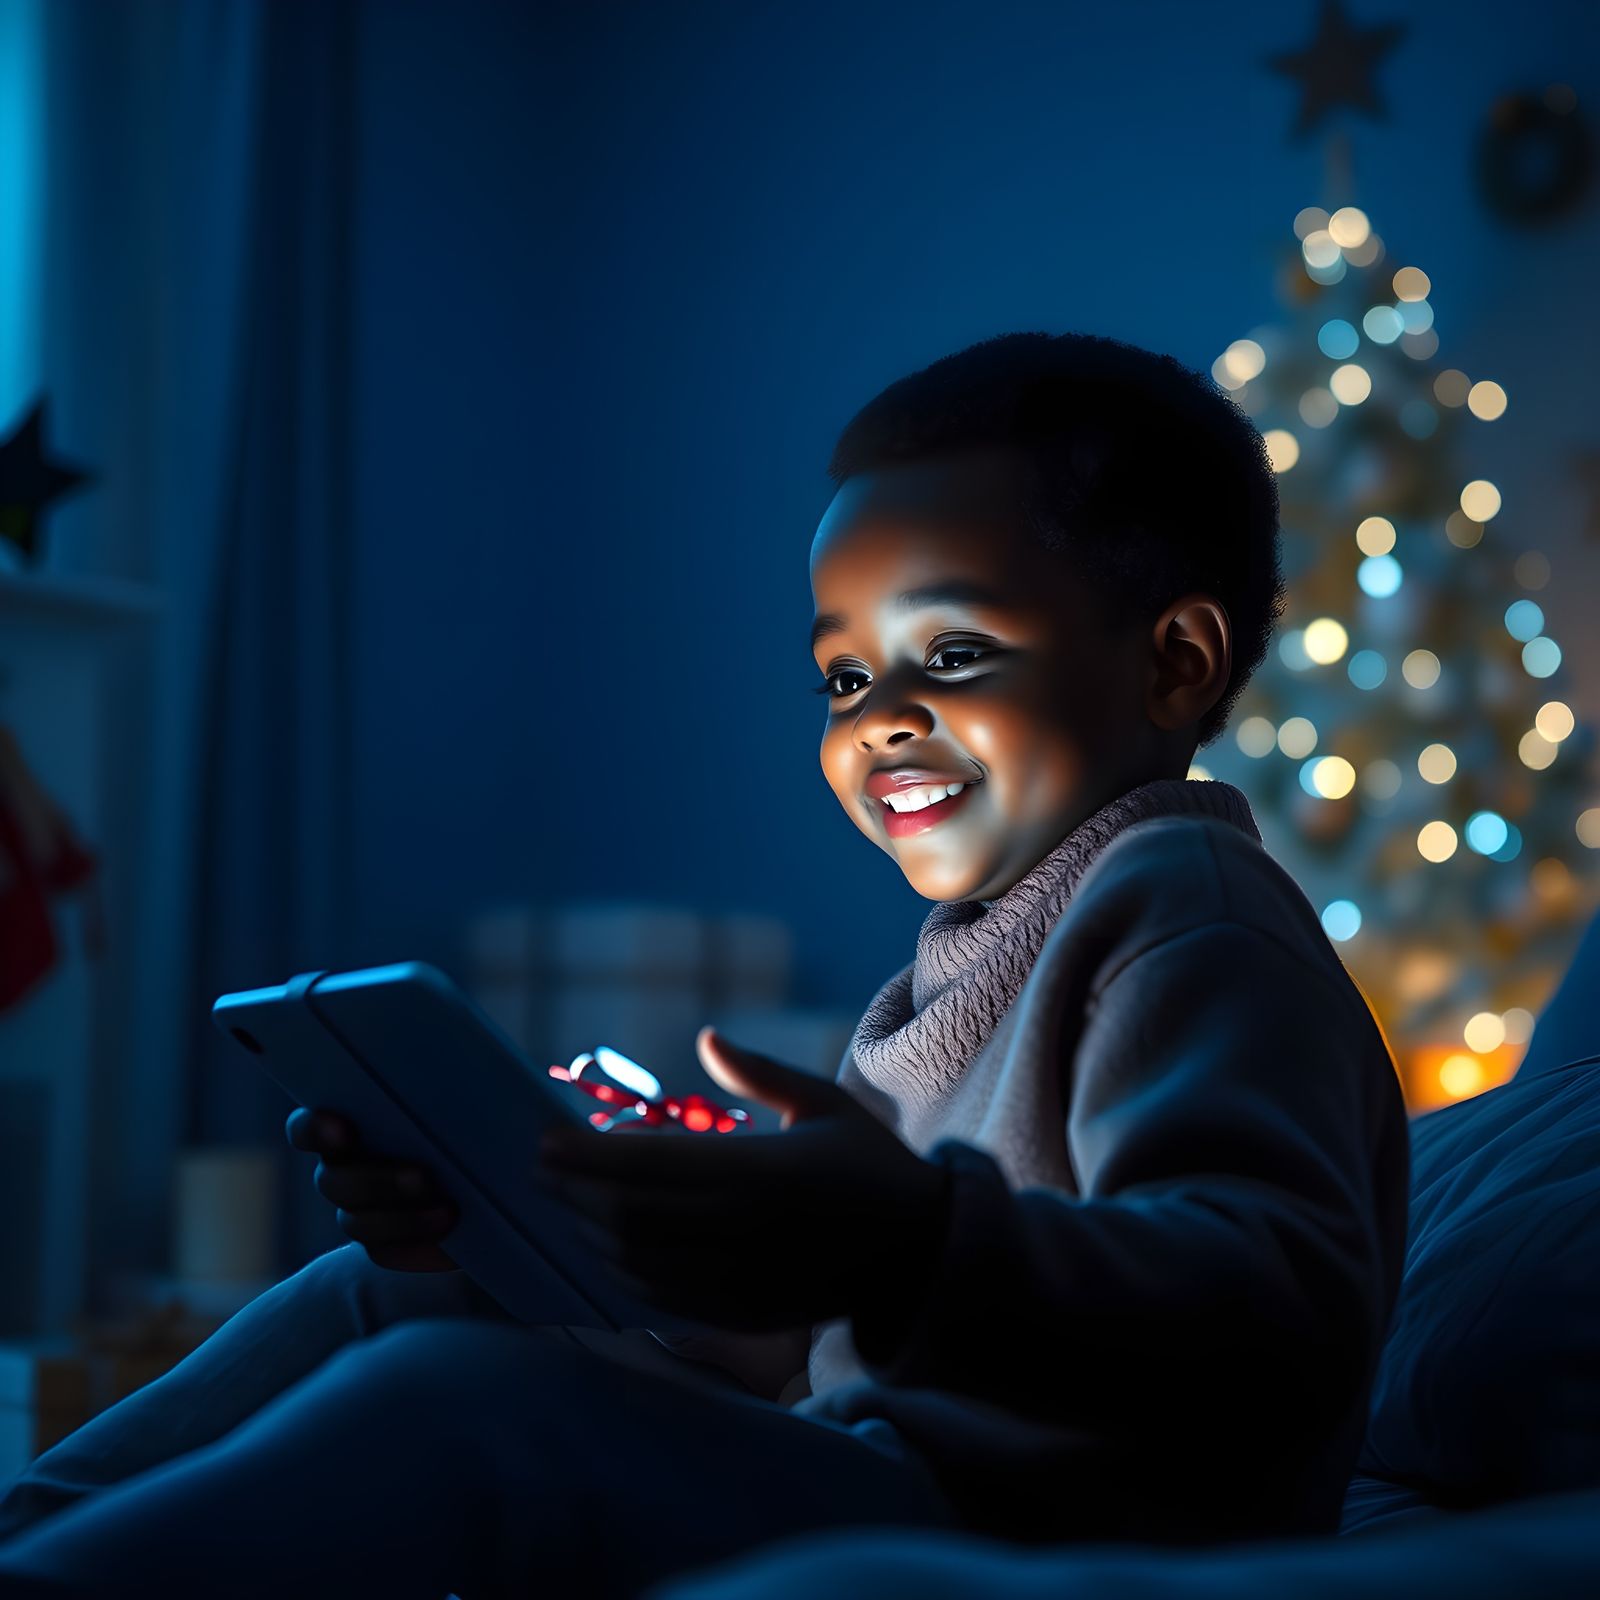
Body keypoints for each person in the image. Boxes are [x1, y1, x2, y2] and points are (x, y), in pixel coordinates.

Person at [0, 332, 1409, 1599]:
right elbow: (826, 1353)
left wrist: (907, 1239)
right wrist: (535, 1240)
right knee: (398, 1299)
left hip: (1035, 1541)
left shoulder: (1191, 914)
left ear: (1173, 663)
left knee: (475, 1405)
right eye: (846, 679)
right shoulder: (955, 964)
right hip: (894, 1481)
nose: (880, 723)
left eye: (954, 652)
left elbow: (1265, 1306)